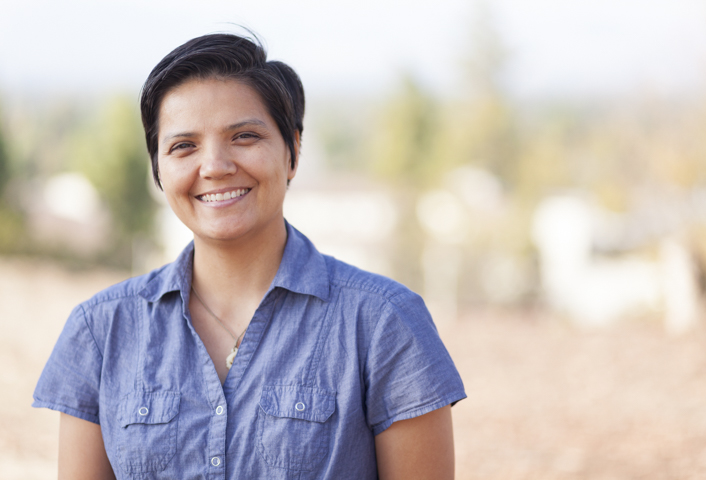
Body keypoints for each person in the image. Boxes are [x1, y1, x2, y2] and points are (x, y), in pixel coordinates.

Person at [33, 32, 466, 480]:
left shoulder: (383, 323)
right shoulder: (101, 331)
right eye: (184, 146)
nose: (215, 166)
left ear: (293, 151)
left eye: (244, 136)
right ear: (158, 168)